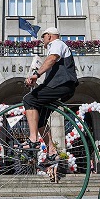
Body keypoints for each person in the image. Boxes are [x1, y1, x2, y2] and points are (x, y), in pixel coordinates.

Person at [23, 27, 79, 161]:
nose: (42, 41)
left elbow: (52, 58)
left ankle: (33, 138)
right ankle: (52, 151)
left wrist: (36, 74)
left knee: (29, 99)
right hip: (60, 86)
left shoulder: (57, 44)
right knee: (41, 120)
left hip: (62, 85)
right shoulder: (56, 46)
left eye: (43, 37)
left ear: (49, 36)